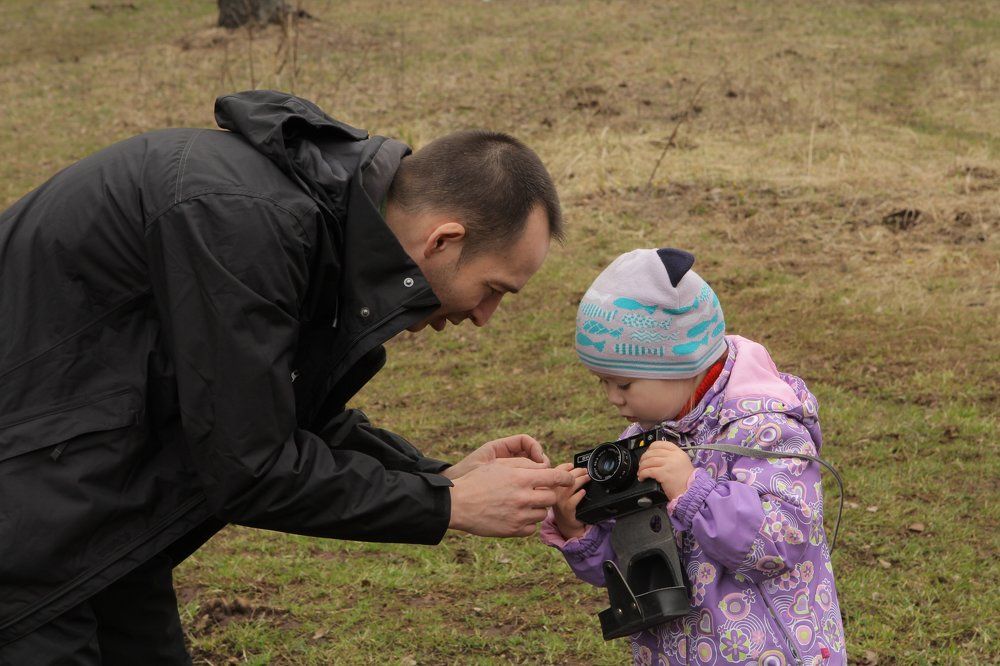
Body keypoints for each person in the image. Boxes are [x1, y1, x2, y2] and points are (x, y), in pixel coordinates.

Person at [0, 90, 574, 663]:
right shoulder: (244, 225)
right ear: (443, 241)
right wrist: (446, 505)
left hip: (87, 506)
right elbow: (250, 466)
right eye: (493, 289)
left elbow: (272, 408)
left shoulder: (321, 223)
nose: (483, 316)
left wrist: (440, 476)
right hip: (31, 520)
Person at [540, 248, 846, 665]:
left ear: (679, 360)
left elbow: (783, 540)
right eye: (603, 383)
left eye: (624, 383)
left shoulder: (764, 428)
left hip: (768, 653)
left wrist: (695, 493)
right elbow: (633, 569)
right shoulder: (646, 438)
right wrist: (579, 530)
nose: (613, 398)